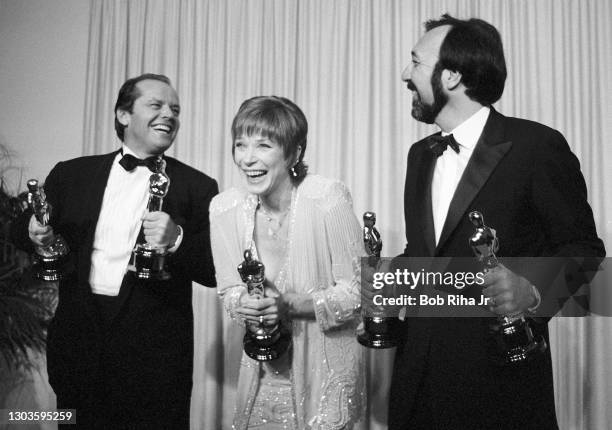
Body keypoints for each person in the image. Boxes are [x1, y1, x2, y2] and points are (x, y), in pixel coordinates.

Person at [389, 14, 606, 429]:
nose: (405, 74)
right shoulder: (420, 156)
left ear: (451, 76)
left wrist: (532, 290)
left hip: (499, 388)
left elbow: (586, 253)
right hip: (416, 383)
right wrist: (383, 283)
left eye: (415, 62)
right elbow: (426, 256)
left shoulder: (536, 146)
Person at [11, 73, 218, 429]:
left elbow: (215, 270)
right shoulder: (72, 174)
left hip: (155, 367)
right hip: (78, 354)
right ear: (123, 114)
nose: (169, 115)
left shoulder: (198, 186)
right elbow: (20, 229)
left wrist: (178, 239)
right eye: (156, 105)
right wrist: (32, 230)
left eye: (176, 110)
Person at [210, 96, 366, 429]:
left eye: (263, 145)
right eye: (240, 145)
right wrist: (246, 305)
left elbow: (361, 291)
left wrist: (290, 305)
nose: (247, 158)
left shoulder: (326, 198)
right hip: (261, 380)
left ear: (294, 153)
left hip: (323, 378)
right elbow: (229, 292)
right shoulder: (224, 210)